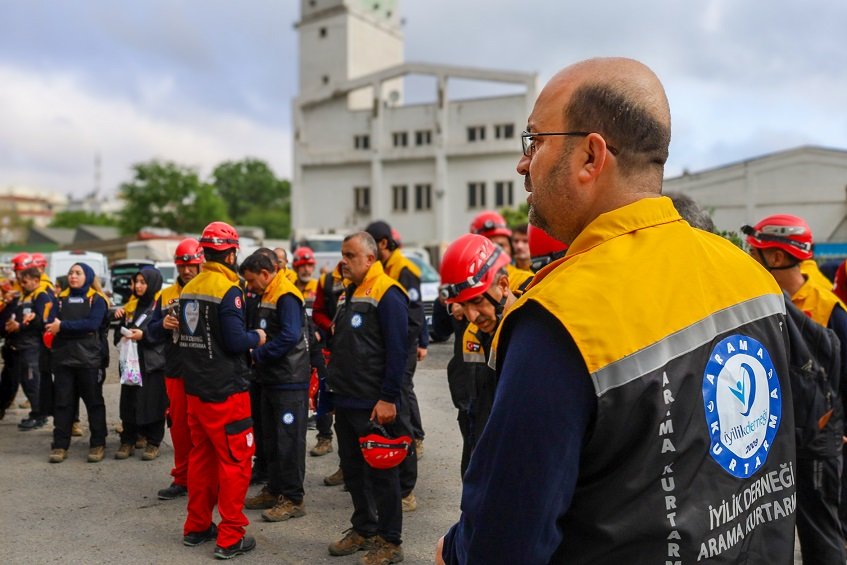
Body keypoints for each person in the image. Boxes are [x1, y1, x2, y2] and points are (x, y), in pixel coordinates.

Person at [438, 57, 796, 564]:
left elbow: (501, 546)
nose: (522, 163)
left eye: (534, 141)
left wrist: (450, 552)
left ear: (590, 156)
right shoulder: (749, 277)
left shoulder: (561, 321)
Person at [743, 214, 847, 562]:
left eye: (755, 253)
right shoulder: (763, 302)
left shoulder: (828, 308)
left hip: (818, 438)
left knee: (821, 533)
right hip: (782, 436)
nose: (749, 260)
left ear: (775, 257)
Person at [178, 222, 266, 559]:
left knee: (201, 459)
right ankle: (231, 536)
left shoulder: (190, 287)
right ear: (230, 253)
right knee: (236, 462)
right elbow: (233, 341)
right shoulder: (229, 291)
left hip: (196, 391)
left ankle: (197, 526)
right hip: (226, 392)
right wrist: (257, 337)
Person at [326, 232, 408, 565]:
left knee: (383, 475)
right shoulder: (348, 294)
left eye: (350, 255)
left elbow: (397, 351)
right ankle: (364, 529)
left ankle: (390, 541)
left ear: (370, 258)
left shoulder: (388, 294)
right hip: (345, 400)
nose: (343, 261)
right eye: (343, 254)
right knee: (354, 471)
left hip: (373, 404)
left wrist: (388, 398)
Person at [240, 252, 311, 523]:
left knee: (288, 441)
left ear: (265, 274)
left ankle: (293, 498)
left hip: (288, 381)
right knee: (270, 437)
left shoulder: (286, 295)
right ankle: (274, 488)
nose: (249, 286)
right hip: (269, 379)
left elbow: (290, 335)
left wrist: (258, 355)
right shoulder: (265, 294)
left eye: (251, 280)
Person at [438, 234, 516, 476]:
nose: (471, 316)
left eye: (477, 301)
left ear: (503, 285)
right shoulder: (477, 334)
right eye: (464, 305)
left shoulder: (530, 337)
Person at [365, 220, 425, 512]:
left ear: (384, 244)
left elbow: (414, 319)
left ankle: (407, 489)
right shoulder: (385, 271)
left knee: (400, 412)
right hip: (391, 351)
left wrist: (403, 350)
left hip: (402, 351)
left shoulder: (405, 271)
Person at [149, 238, 204, 500]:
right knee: (180, 427)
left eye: (191, 265)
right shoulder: (166, 294)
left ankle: (205, 478)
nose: (186, 271)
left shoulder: (210, 290)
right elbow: (149, 330)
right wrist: (163, 325)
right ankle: (182, 478)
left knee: (204, 428)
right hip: (175, 370)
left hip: (205, 370)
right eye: (182, 266)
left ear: (201, 263)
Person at [44, 262, 110, 464]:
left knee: (94, 403)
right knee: (63, 403)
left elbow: (92, 324)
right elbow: (49, 323)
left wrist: (62, 326)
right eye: (71, 273)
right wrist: (56, 327)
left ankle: (98, 443)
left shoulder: (96, 299)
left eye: (78, 273)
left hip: (89, 359)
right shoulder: (60, 298)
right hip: (63, 359)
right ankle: (59, 445)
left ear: (88, 276)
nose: (73, 276)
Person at [113, 268, 167, 461]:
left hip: (151, 362)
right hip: (130, 362)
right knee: (129, 402)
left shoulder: (161, 304)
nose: (138, 286)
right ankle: (127, 439)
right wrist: (120, 325)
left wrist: (144, 336)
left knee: (153, 403)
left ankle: (153, 442)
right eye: (136, 282)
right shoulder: (131, 305)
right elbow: (119, 333)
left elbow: (164, 332)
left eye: (143, 282)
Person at [1, 264, 50, 430]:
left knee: (32, 382)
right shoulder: (21, 297)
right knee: (16, 382)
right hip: (16, 347)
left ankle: (39, 415)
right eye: (21, 281)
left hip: (32, 347)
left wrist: (20, 326)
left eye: (25, 282)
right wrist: (8, 326)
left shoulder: (41, 296)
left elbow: (43, 322)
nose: (22, 284)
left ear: (36, 281)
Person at [310, 260, 345, 460]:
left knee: (350, 407)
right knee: (323, 394)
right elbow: (317, 312)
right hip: (328, 349)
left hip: (358, 354)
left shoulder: (369, 282)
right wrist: (330, 326)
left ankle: (349, 467)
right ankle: (324, 437)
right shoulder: (327, 281)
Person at [470, 211, 533, 294]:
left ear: (511, 249)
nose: (495, 252)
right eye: (488, 246)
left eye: (500, 245)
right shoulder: (467, 283)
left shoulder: (525, 280)